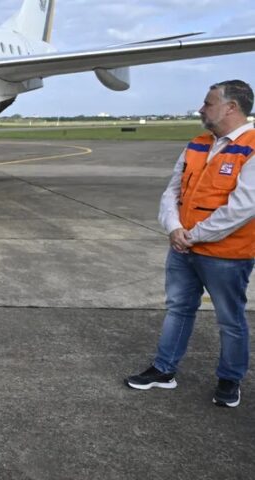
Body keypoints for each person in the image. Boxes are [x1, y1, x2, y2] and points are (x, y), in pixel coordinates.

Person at [126, 80, 255, 408]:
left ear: (231, 107)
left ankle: (229, 379)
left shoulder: (252, 146)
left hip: (226, 255)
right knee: (178, 309)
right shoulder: (197, 143)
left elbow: (242, 207)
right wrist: (173, 227)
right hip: (183, 248)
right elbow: (172, 190)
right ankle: (164, 370)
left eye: (208, 103)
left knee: (230, 318)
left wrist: (192, 235)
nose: (201, 109)